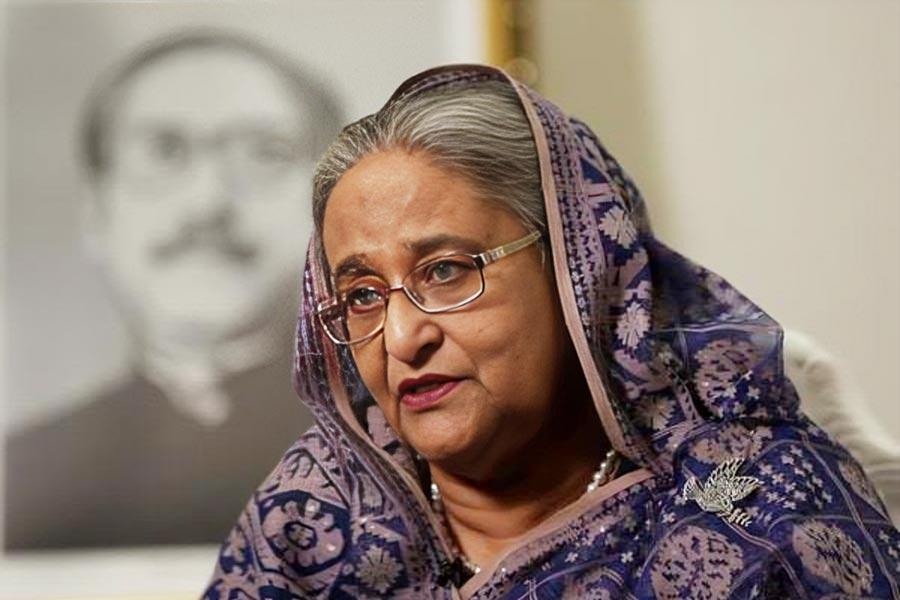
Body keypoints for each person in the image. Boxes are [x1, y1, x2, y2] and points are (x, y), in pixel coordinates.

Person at [203, 65, 899, 598]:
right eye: (360, 295)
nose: (401, 337)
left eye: (445, 271)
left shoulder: (762, 515)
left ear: (579, 271)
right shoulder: (308, 519)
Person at [5, 31, 341, 549]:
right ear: (95, 213)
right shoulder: (23, 473)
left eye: (263, 154)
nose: (206, 202)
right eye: (163, 151)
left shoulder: (413, 455)